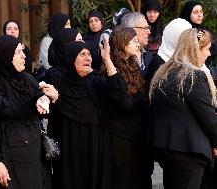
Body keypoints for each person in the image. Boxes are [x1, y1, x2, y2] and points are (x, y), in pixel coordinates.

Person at [0, 35, 54, 189]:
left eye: (23, 51)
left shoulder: (26, 79)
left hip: (35, 155)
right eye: (18, 52)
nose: (24, 56)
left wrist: (43, 99)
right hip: (10, 159)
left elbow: (36, 95)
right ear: (5, 56)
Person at [148, 28, 217, 189]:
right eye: (207, 49)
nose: (209, 54)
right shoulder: (192, 76)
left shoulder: (165, 72)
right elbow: (209, 119)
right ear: (195, 50)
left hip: (170, 150)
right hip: (189, 152)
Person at [40, 41, 111, 189]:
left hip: (94, 143)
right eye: (82, 54)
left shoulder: (97, 80)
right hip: (69, 143)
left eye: (89, 54)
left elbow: (118, 93)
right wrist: (50, 98)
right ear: (71, 58)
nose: (87, 58)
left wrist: (107, 60)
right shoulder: (60, 81)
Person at [101, 26, 151, 189]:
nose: (138, 44)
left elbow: (143, 100)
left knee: (139, 178)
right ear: (122, 44)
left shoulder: (133, 65)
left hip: (137, 133)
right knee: (122, 180)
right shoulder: (110, 71)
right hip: (121, 136)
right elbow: (126, 103)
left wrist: (137, 102)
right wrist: (108, 60)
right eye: (134, 41)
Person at [145, 18, 192, 88]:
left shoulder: (187, 57)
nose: (188, 41)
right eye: (184, 37)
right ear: (173, 37)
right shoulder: (158, 62)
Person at [120, 12, 152, 78]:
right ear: (130, 30)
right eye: (145, 28)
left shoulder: (147, 54)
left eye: (148, 28)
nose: (149, 32)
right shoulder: (120, 58)